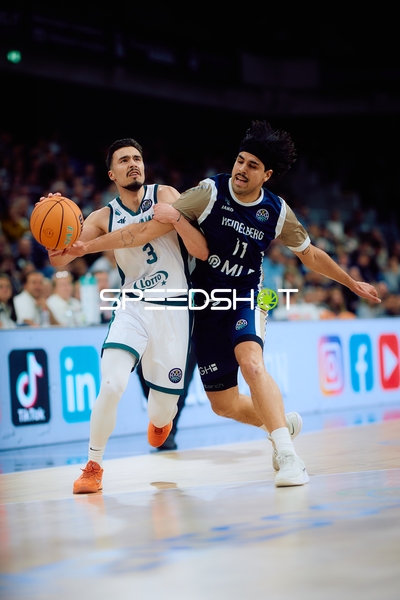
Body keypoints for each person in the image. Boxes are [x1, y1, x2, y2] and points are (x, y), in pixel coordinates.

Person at [44, 137, 209, 494]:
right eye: (124, 160)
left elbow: (138, 234)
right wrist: (53, 226)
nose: (133, 163)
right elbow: (61, 257)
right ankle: (93, 467)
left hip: (173, 311)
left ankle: (162, 419)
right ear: (111, 174)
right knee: (112, 384)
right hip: (132, 308)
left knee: (161, 413)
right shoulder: (102, 217)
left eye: (137, 158)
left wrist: (88, 246)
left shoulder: (166, 196)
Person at [136, 344, 197, 451]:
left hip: (187, 338)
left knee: (179, 381)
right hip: (154, 337)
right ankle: (162, 420)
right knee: (143, 370)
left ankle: (168, 430)